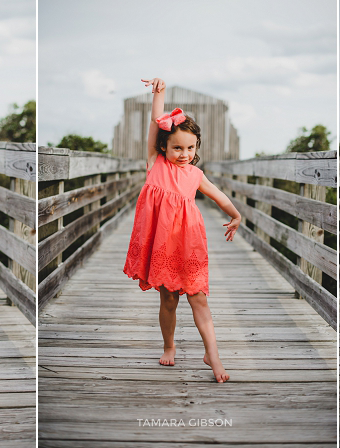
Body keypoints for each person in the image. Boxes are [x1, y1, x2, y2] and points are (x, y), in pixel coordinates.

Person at [123, 78, 240, 383]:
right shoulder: (155, 163)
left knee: (199, 298)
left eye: (190, 147)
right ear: (164, 147)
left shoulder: (196, 175)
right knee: (169, 301)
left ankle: (212, 355)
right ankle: (169, 344)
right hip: (163, 245)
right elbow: (154, 123)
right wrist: (159, 95)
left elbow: (219, 196)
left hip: (189, 243)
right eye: (177, 147)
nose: (184, 153)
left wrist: (236, 214)